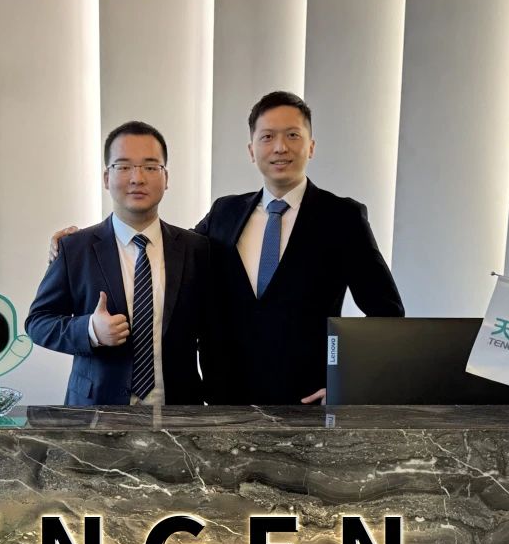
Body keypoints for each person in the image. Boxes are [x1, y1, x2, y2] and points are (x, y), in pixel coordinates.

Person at [51, 92, 404, 405]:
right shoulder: (225, 212)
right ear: (252, 151)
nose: (280, 147)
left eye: (292, 135)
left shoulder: (342, 218)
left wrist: (346, 384)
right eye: (267, 137)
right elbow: (165, 249)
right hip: (226, 401)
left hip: (306, 402)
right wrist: (77, 244)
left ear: (311, 146)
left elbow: (387, 314)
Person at [26, 122, 212, 406]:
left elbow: (217, 332)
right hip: (96, 410)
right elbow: (38, 322)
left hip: (179, 410)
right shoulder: (75, 248)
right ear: (106, 177)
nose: (137, 178)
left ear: (166, 177)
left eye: (150, 167)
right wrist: (90, 330)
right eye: (123, 166)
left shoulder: (195, 248)